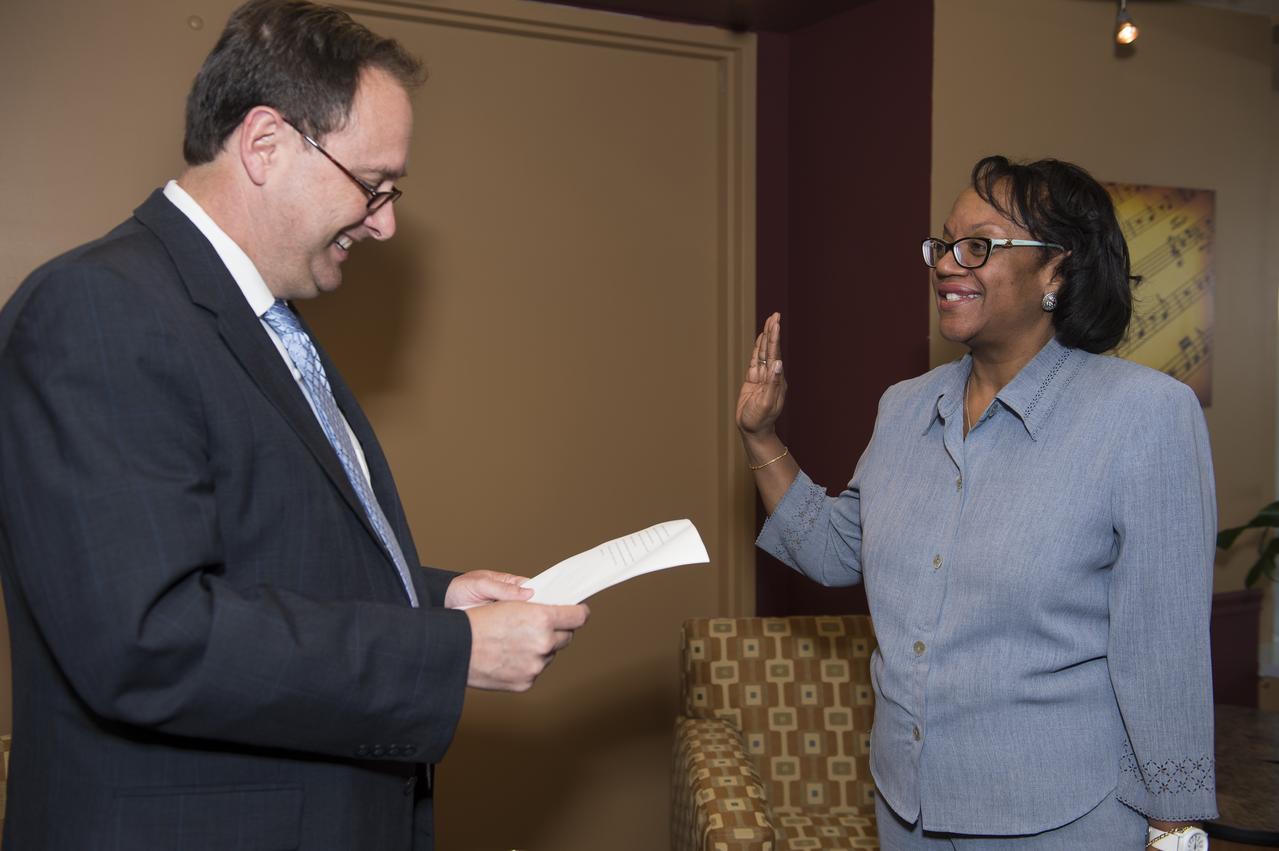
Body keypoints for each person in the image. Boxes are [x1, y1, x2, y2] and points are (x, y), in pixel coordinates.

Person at [0, 1, 589, 848]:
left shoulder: (257, 318)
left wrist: (435, 597)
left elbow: (264, 556)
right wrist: (445, 652)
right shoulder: (98, 310)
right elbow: (148, 637)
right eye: (374, 184)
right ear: (266, 144)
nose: (385, 221)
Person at [736, 156, 1216, 849]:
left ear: (1056, 268)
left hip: (1060, 815)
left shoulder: (1144, 414)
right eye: (943, 245)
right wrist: (761, 436)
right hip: (907, 808)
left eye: (978, 246)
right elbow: (837, 550)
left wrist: (1174, 825)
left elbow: (1162, 645)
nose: (945, 264)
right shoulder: (903, 407)